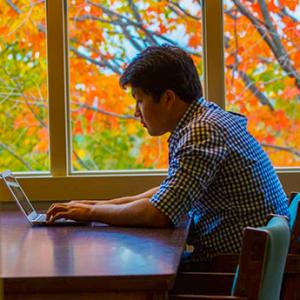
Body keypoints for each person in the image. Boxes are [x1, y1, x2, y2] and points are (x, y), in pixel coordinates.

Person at [46, 45, 289, 269]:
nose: (135, 113)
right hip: (237, 263)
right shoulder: (205, 118)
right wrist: (94, 206)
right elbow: (168, 194)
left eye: (139, 101)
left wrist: (91, 214)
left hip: (227, 272)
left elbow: (160, 213)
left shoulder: (202, 131)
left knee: (117, 273)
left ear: (168, 98)